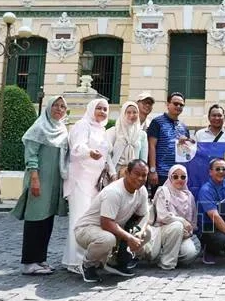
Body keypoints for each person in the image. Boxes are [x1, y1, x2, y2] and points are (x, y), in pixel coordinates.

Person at [12, 96, 69, 275]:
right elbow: (31, 155)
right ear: (48, 107)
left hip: (54, 182)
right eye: (55, 106)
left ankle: (41, 259)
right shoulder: (39, 128)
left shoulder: (61, 129)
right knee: (35, 218)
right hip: (40, 179)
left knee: (47, 220)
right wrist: (35, 178)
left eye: (62, 106)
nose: (59, 109)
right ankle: (29, 262)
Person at [74, 159, 149, 283]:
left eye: (144, 175)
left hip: (112, 228)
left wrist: (139, 231)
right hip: (87, 229)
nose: (140, 178)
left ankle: (115, 263)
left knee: (147, 233)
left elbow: (144, 214)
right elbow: (106, 223)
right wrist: (129, 238)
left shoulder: (142, 190)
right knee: (108, 239)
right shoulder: (114, 192)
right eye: (137, 174)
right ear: (127, 173)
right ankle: (87, 265)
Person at [63, 98, 111, 274]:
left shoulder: (102, 130)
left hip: (95, 182)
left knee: (90, 222)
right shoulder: (82, 125)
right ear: (91, 109)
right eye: (98, 108)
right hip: (80, 180)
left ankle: (83, 258)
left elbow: (106, 156)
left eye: (105, 109)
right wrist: (89, 152)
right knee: (78, 220)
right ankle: (75, 261)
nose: (102, 112)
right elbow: (77, 146)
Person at [143, 164, 199, 269]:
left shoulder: (189, 196)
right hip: (162, 229)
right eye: (175, 176)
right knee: (177, 226)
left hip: (182, 234)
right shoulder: (163, 191)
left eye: (183, 177)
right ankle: (167, 262)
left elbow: (193, 223)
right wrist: (182, 221)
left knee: (189, 254)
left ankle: (166, 254)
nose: (179, 179)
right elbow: (163, 217)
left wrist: (189, 232)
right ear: (169, 177)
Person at [147, 92, 191, 195]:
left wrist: (186, 144)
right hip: (161, 174)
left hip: (178, 176)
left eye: (181, 105)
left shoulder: (184, 127)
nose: (178, 106)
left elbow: (187, 153)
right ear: (168, 104)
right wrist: (153, 170)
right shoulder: (157, 122)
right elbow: (151, 146)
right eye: (175, 103)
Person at [106, 101, 148, 179]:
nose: (131, 115)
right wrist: (112, 173)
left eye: (134, 112)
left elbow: (143, 160)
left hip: (134, 175)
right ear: (123, 114)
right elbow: (107, 154)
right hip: (115, 173)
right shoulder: (114, 131)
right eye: (128, 112)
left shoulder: (142, 135)